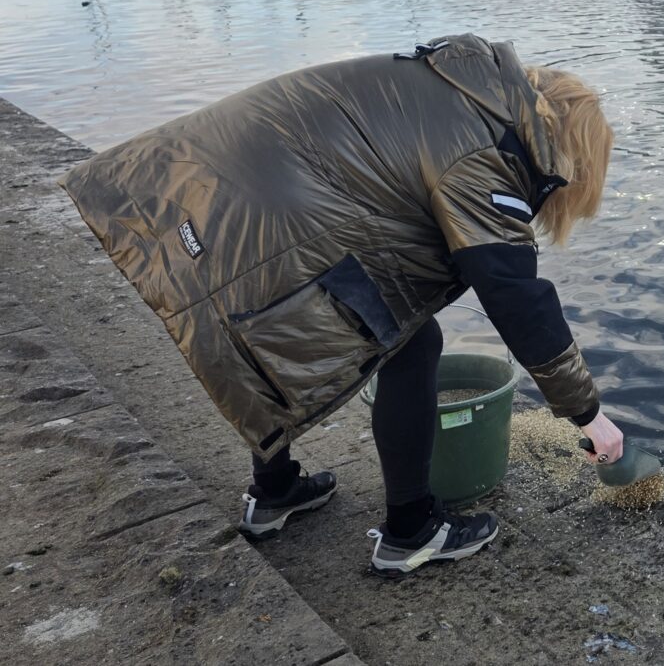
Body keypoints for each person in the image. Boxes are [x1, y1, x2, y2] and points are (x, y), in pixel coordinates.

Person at [60, 34, 624, 576]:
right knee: (410, 345)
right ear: (570, 150)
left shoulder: (460, 87)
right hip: (265, 210)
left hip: (211, 180)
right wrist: (588, 416)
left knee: (272, 337)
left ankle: (275, 491)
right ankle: (411, 530)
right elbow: (514, 294)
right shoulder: (484, 151)